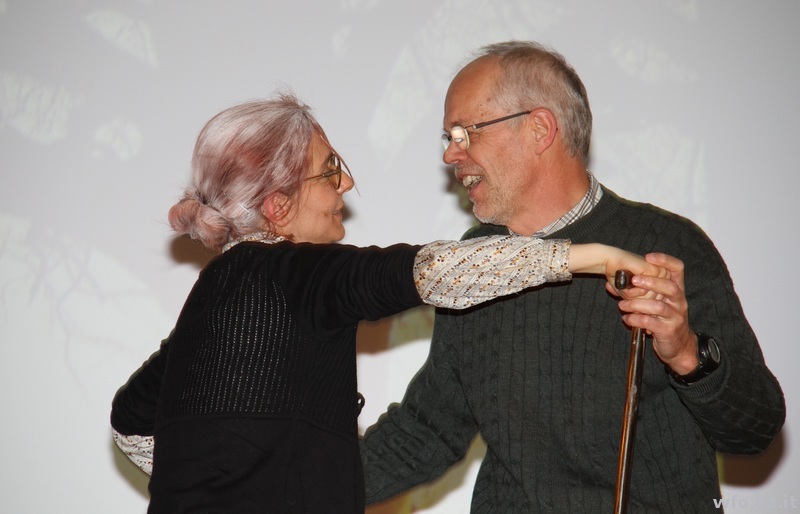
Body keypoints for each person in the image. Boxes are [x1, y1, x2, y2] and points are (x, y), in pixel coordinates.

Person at [109, 93, 667, 513]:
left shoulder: (212, 298)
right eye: (329, 170)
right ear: (278, 207)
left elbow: (130, 421)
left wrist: (231, 478)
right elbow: (434, 272)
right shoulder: (302, 276)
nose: (345, 185)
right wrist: (592, 256)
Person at [360, 41, 786, 512]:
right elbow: (427, 430)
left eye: (465, 132)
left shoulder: (665, 244)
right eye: (448, 137)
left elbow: (757, 430)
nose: (450, 155)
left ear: (539, 129)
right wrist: (306, 484)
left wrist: (687, 353)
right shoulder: (478, 262)